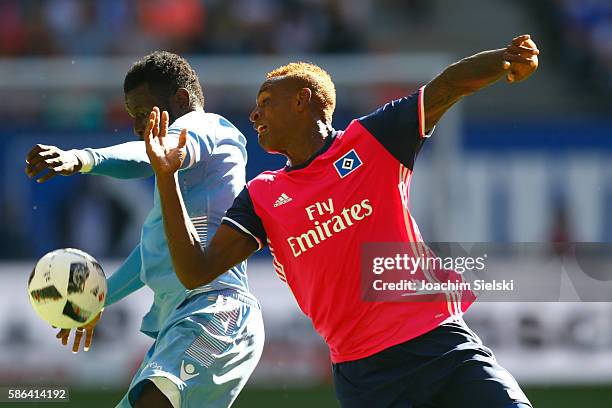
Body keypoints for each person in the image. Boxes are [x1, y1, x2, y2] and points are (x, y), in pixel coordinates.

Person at [144, 35, 539, 407]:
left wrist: (506, 59)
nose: (254, 113)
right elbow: (196, 271)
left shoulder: (372, 141)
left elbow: (448, 85)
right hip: (365, 376)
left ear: (303, 99)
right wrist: (166, 177)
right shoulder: (262, 195)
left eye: (266, 101)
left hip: (440, 343)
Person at [25, 51, 264, 408]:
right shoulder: (177, 180)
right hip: (185, 321)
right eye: (132, 116)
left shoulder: (209, 129)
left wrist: (83, 159)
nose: (137, 125)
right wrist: (99, 297)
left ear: (180, 100)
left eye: (143, 112)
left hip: (216, 311)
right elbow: (153, 256)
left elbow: (147, 154)